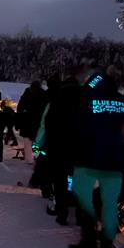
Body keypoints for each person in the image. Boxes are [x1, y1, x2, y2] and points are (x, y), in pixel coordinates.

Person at [69, 70, 124, 248]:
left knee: (83, 198)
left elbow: (77, 129)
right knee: (110, 203)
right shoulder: (122, 102)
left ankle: (88, 240)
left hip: (87, 160)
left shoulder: (86, 101)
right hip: (115, 160)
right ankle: (107, 241)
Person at [37, 76, 82, 225]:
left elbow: (45, 124)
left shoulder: (55, 101)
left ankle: (62, 212)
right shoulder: (86, 101)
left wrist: (38, 143)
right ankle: (82, 215)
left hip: (57, 147)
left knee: (60, 181)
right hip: (80, 148)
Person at [17, 81, 48, 164]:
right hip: (37, 122)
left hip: (27, 122)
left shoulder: (27, 94)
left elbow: (20, 107)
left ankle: (29, 159)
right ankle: (36, 157)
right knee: (37, 141)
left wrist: (19, 120)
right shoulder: (43, 94)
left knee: (27, 142)